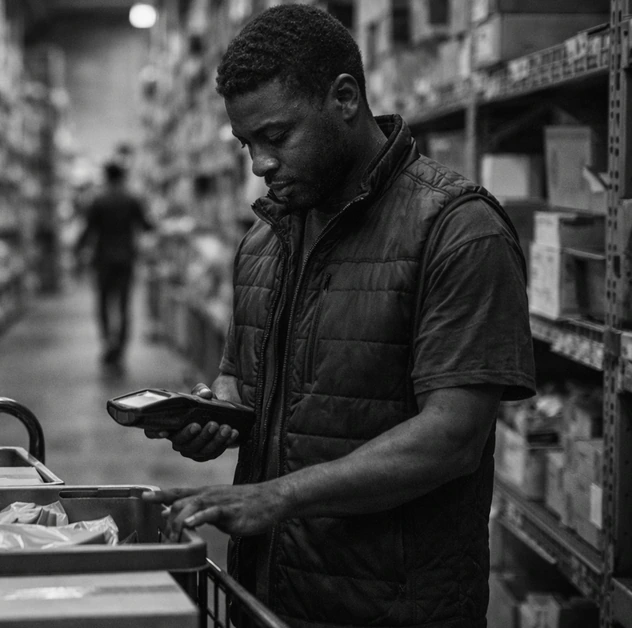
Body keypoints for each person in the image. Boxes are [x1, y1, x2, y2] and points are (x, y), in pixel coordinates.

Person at [143, 5, 535, 627]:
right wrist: (212, 414)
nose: (259, 164)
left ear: (345, 98)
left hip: (393, 607)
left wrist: (279, 496)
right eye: (246, 144)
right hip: (266, 595)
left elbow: (454, 437)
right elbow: (237, 382)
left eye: (276, 137)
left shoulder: (458, 231)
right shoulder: (263, 242)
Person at [77, 162, 153, 365]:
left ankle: (107, 342)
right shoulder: (132, 199)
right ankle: (120, 347)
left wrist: (78, 249)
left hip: (103, 260)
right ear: (122, 177)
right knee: (124, 304)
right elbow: (146, 225)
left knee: (103, 303)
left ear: (106, 177)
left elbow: (88, 229)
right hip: (126, 258)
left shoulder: (98, 201)